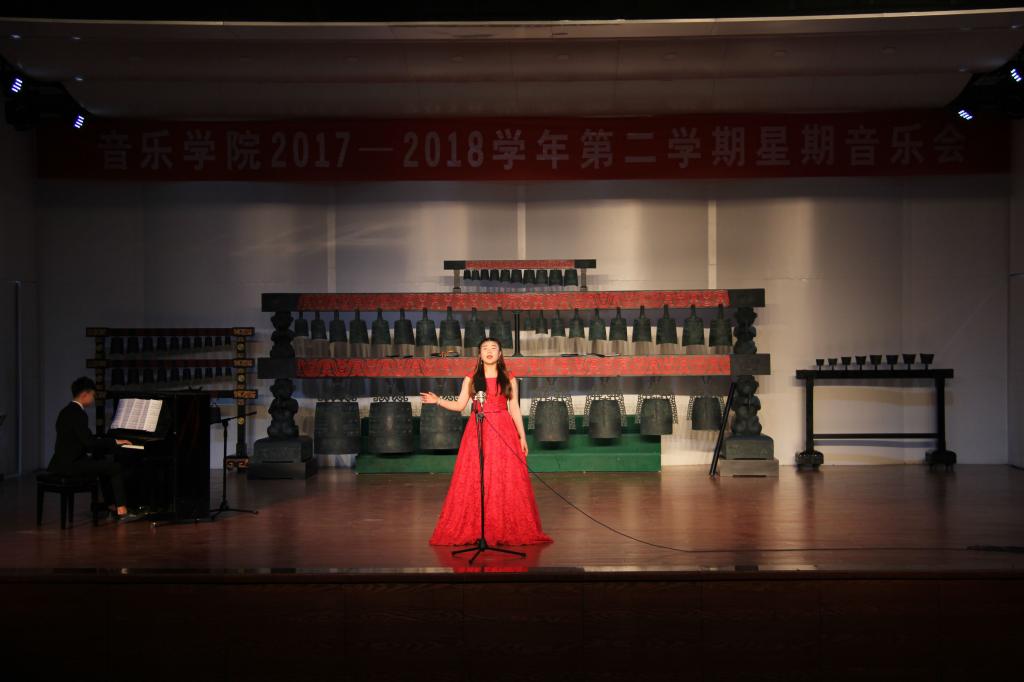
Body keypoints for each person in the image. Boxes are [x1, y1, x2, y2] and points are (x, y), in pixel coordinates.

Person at [422, 337, 552, 546]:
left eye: (493, 348)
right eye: (485, 348)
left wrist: (521, 436)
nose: (489, 351)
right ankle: (479, 527)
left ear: (500, 354)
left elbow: (514, 408)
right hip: (478, 430)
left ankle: (504, 526)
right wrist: (438, 400)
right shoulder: (471, 378)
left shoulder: (508, 377)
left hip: (503, 429)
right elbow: (460, 405)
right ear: (480, 354)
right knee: (477, 476)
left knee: (504, 476)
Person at [47, 377, 144, 522]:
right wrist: (114, 442)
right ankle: (122, 511)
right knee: (114, 467)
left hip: (60, 463)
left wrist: (105, 444)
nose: (93, 399)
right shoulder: (79, 414)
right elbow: (89, 442)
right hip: (72, 465)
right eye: (93, 395)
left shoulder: (65, 411)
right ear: (85, 394)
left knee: (102, 463)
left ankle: (111, 507)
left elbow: (81, 440)